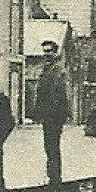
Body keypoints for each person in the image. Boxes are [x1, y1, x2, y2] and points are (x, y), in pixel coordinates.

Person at [32, 39, 70, 184]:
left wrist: (56, 113)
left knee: (52, 146)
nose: (46, 54)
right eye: (45, 51)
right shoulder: (47, 70)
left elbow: (58, 95)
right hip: (48, 116)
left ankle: (55, 178)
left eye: (49, 51)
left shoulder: (57, 71)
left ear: (55, 53)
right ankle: (52, 176)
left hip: (54, 116)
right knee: (49, 147)